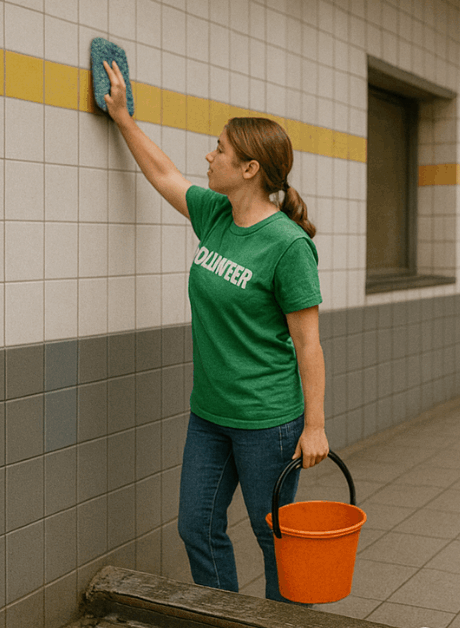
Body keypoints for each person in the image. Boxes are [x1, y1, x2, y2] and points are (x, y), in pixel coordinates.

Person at [100, 60, 329, 602]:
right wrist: (123, 118)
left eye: (219, 149)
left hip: (267, 421)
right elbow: (164, 174)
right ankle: (226, 616)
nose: (209, 156)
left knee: (272, 537)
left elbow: (308, 344)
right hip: (208, 413)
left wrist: (315, 426)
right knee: (196, 527)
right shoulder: (216, 216)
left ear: (249, 168)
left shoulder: (288, 246)